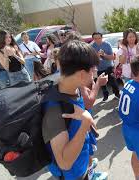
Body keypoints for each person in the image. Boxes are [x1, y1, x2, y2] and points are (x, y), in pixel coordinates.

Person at [42, 40, 103, 179]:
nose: (94, 73)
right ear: (81, 74)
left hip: (82, 166)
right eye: (92, 69)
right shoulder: (54, 110)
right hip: (72, 175)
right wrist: (86, 122)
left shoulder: (74, 88)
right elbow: (64, 163)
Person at [91, 32, 120, 101]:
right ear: (93, 39)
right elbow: (92, 60)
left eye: (99, 38)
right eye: (95, 38)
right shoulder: (91, 47)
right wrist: (97, 55)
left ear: (102, 38)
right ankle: (105, 96)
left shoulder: (107, 45)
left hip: (109, 67)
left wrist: (104, 54)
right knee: (102, 84)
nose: (98, 40)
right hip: (99, 68)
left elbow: (113, 57)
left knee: (113, 82)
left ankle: (117, 94)